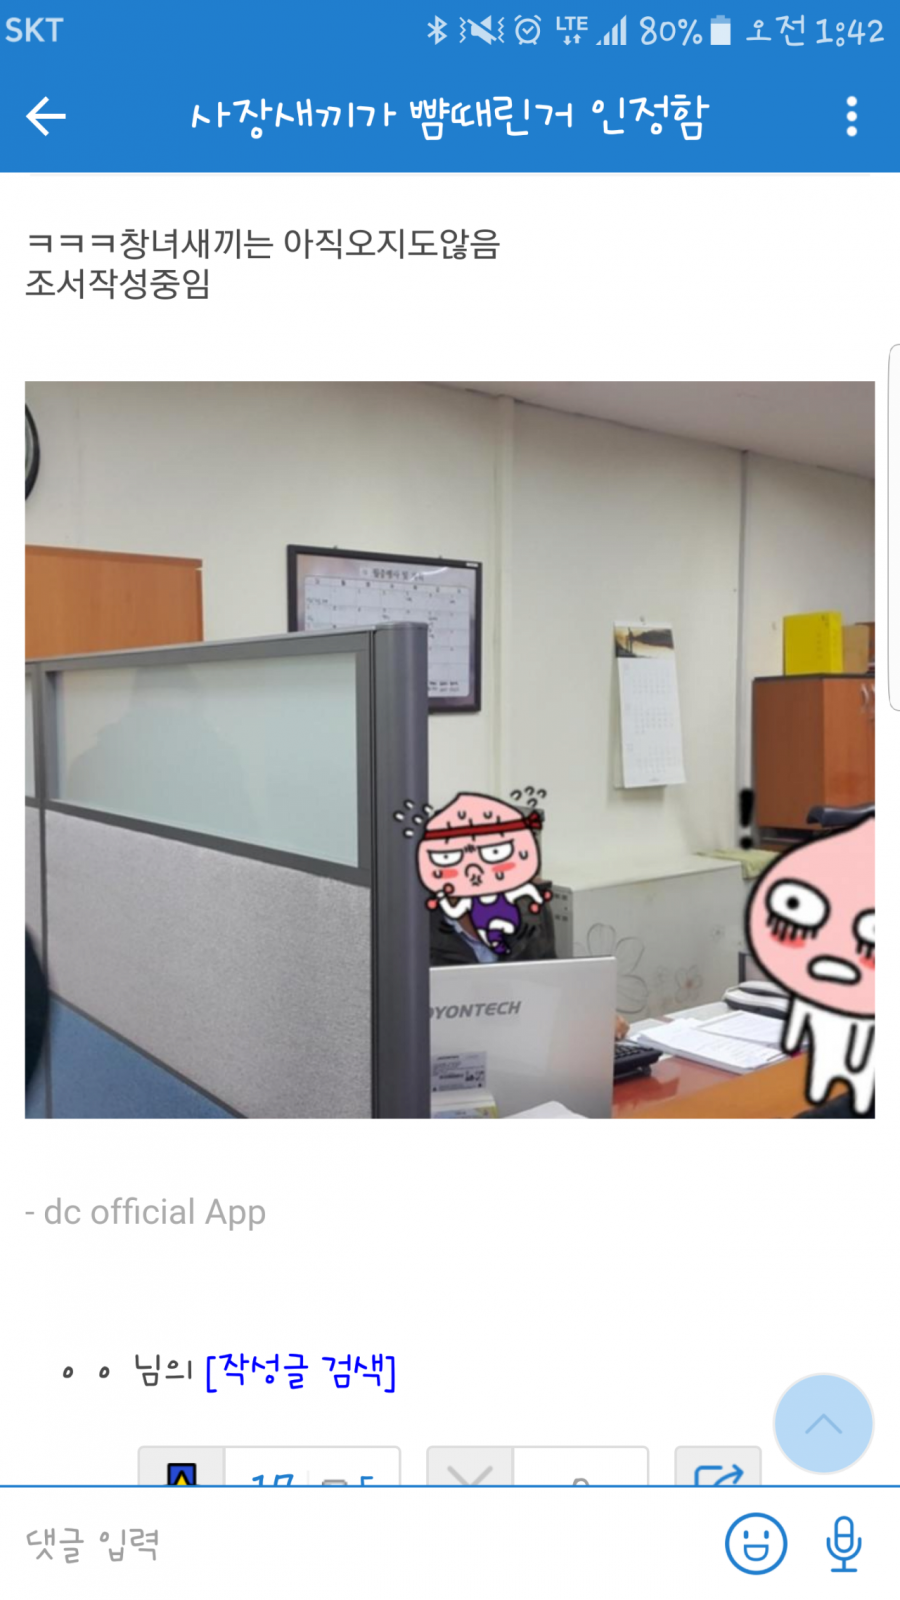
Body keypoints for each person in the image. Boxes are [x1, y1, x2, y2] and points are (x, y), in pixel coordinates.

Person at [428, 882, 630, 1039]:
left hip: (526, 1056)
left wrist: (590, 1017)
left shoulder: (530, 909)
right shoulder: (415, 925)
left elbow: (552, 986)